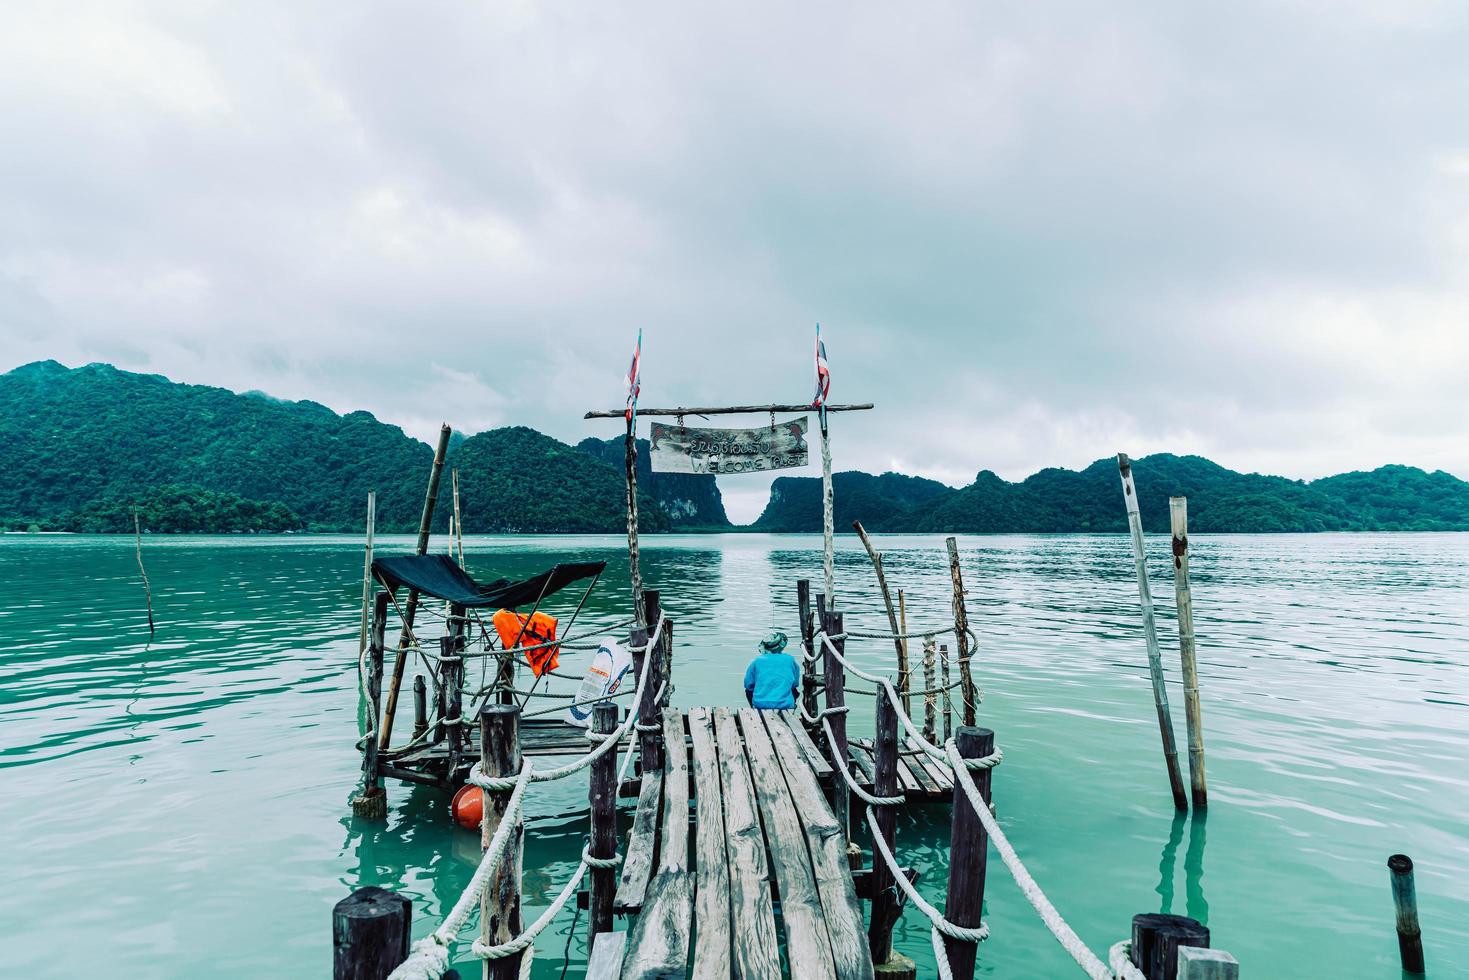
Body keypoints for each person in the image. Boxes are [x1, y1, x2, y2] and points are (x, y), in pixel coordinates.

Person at [743, 631, 801, 710]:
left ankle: (754, 709)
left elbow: (748, 685)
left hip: (760, 704)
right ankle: (789, 711)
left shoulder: (757, 661)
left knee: (749, 691)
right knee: (794, 691)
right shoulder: (790, 660)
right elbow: (795, 684)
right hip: (784, 704)